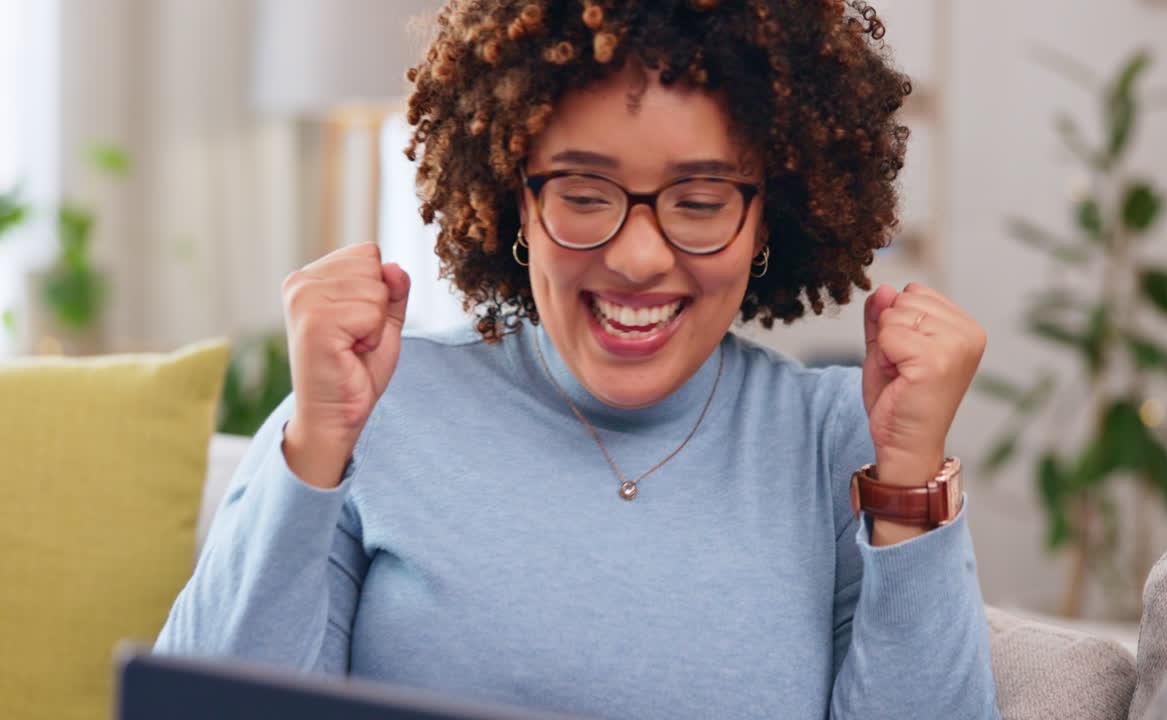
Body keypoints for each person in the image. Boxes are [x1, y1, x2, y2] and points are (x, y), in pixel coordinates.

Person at [155, 1, 1001, 718]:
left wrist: (910, 485)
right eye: (585, 195)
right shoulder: (371, 406)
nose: (637, 258)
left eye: (700, 202)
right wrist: (317, 442)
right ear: (513, 202)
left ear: (765, 220)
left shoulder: (841, 441)